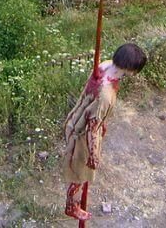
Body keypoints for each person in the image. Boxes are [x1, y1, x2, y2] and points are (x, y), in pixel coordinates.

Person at [62, 43, 147, 220]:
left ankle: (72, 202)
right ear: (131, 68)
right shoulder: (106, 95)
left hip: (75, 118)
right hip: (82, 133)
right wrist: (94, 155)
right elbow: (92, 128)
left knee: (82, 169)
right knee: (81, 172)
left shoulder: (104, 65)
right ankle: (71, 206)